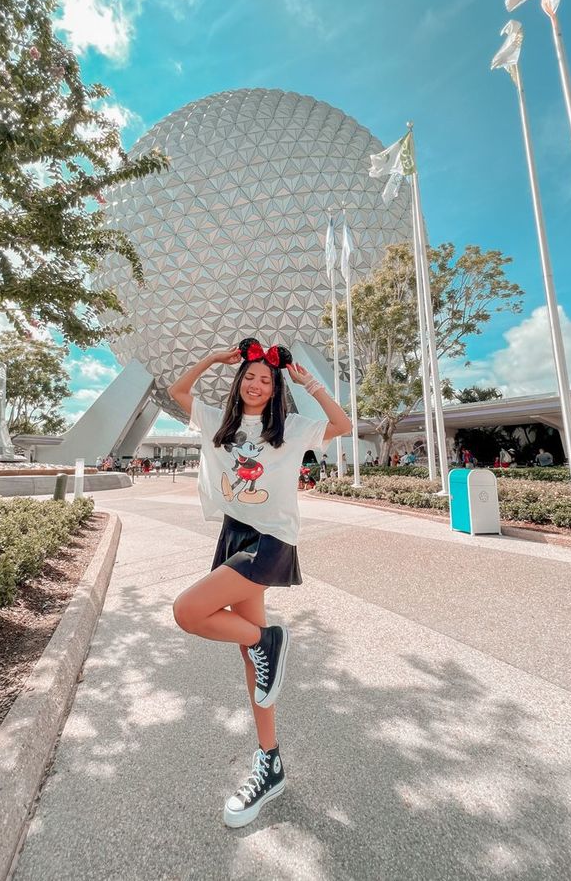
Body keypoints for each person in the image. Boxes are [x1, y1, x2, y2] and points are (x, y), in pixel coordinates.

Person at [168, 338, 351, 829]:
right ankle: (269, 763)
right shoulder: (220, 425)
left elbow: (343, 424)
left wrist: (303, 378)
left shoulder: (290, 428)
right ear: (238, 382)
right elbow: (177, 390)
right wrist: (213, 358)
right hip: (235, 534)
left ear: (274, 390)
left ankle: (268, 638)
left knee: (188, 611)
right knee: (255, 663)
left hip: (271, 539)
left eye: (265, 380)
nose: (256, 384)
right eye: (250, 377)